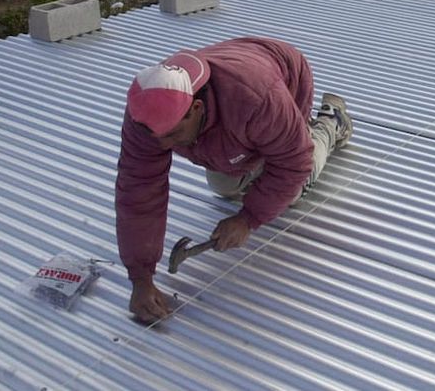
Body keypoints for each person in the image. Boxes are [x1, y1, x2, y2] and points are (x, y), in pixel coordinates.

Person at [115, 37, 353, 324]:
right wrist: (140, 277)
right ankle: (271, 144)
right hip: (237, 118)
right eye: (157, 137)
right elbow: (138, 191)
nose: (163, 144)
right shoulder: (146, 116)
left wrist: (248, 218)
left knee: (293, 186)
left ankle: (331, 122)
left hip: (284, 78)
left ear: (197, 109)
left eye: (173, 135)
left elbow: (294, 162)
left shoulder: (257, 98)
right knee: (224, 187)